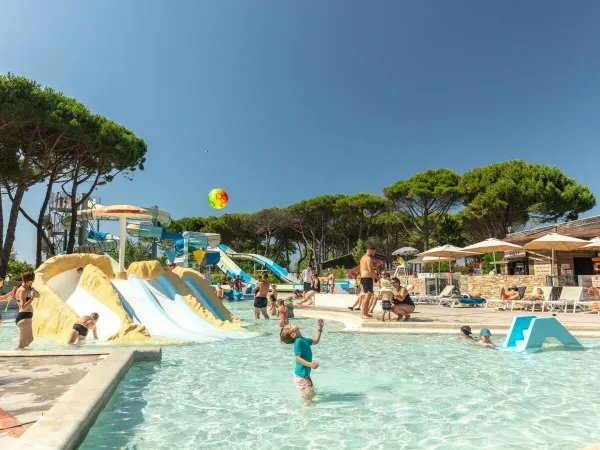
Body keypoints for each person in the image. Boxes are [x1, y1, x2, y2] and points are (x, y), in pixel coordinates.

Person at [280, 319, 325, 400]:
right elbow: (297, 358)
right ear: (293, 335)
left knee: (310, 395)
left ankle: (308, 408)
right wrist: (310, 364)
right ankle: (307, 409)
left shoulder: (303, 339)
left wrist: (320, 328)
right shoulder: (298, 341)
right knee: (309, 395)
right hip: (301, 376)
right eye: (290, 326)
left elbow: (315, 341)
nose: (291, 324)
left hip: (305, 375)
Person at [15, 272, 39, 350]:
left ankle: (22, 353)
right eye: (32, 280)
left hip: (27, 318)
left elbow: (38, 295)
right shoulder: (22, 290)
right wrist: (32, 298)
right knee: (21, 344)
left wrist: (34, 291)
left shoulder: (29, 288)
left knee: (30, 339)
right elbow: (23, 307)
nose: (33, 281)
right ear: (27, 280)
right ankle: (18, 359)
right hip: (23, 318)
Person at [358, 247, 377, 319]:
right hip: (366, 278)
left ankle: (366, 313)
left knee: (369, 296)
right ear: (369, 250)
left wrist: (360, 278)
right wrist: (377, 277)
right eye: (373, 252)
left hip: (365, 278)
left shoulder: (362, 258)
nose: (373, 253)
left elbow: (361, 269)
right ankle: (363, 313)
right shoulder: (368, 258)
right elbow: (370, 270)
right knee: (367, 295)